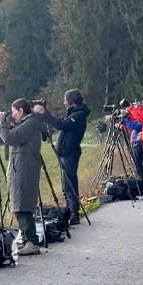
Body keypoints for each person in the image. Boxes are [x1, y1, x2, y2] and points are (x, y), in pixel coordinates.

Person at [0, 98, 53, 256]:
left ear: (21, 111)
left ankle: (32, 242)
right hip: (23, 167)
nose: (12, 114)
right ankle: (28, 240)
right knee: (20, 203)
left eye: (14, 111)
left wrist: (2, 124)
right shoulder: (30, 123)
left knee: (22, 205)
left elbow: (10, 138)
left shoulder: (29, 124)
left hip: (24, 169)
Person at [41, 89, 90, 223]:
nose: (64, 103)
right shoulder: (74, 114)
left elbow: (60, 124)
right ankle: (70, 210)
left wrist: (44, 114)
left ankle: (74, 212)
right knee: (65, 184)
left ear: (71, 101)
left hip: (70, 153)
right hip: (65, 153)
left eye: (65, 99)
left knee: (69, 184)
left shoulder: (78, 115)